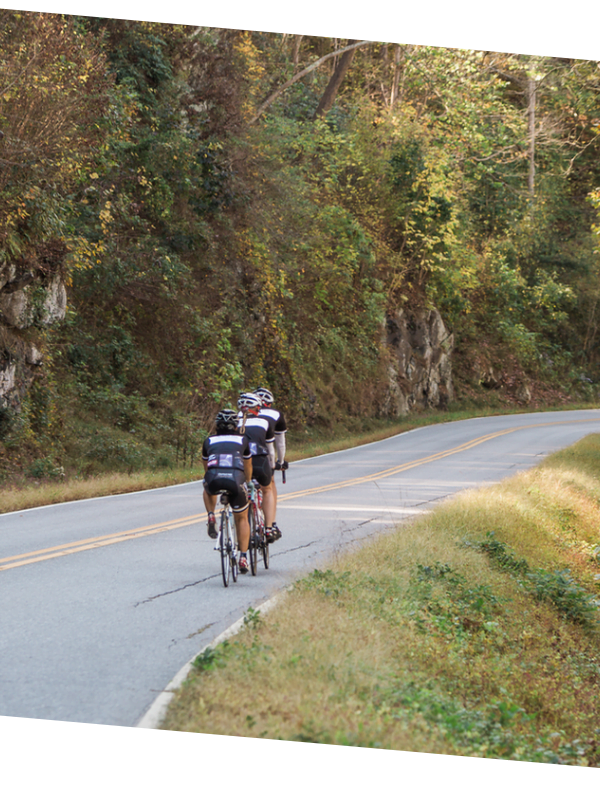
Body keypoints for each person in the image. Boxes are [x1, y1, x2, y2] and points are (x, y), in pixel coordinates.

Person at [201, 408, 253, 574]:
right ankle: (243, 557)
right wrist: (249, 482)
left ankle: (210, 514)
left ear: (217, 425)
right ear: (235, 425)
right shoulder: (242, 440)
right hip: (235, 479)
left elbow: (206, 466)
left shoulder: (208, 441)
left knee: (207, 485)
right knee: (242, 518)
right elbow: (248, 465)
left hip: (214, 477)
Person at [237, 392, 277, 542]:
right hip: (260, 461)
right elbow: (270, 449)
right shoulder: (264, 422)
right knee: (267, 490)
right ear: (257, 408)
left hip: (241, 463)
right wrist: (272, 467)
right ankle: (268, 528)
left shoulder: (234, 423)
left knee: (241, 491)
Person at [254, 386, 288, 541]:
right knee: (269, 484)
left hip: (243, 454)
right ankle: (271, 524)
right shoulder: (276, 414)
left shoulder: (242, 414)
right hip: (264, 455)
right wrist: (279, 462)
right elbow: (279, 444)